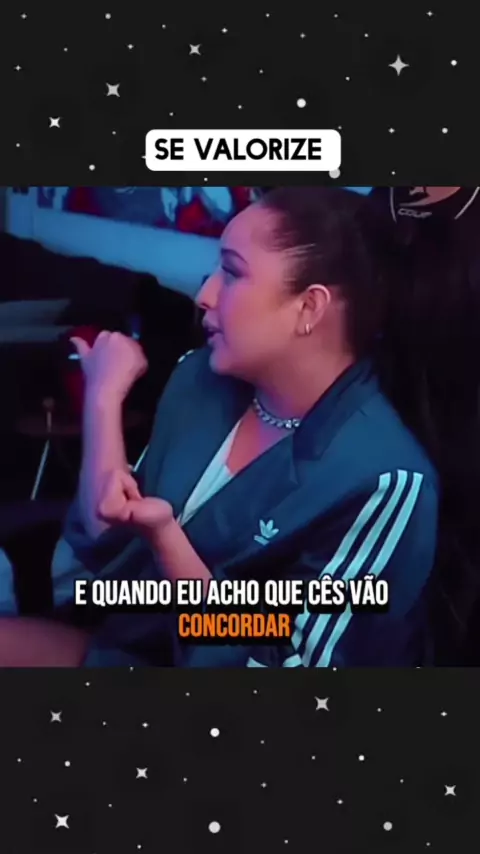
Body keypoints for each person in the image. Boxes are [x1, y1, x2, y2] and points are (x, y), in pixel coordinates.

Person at [0, 185, 478, 667]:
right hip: (123, 642)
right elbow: (106, 542)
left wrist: (169, 541)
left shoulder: (383, 477)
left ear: (308, 308)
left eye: (231, 272)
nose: (204, 295)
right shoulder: (199, 379)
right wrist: (103, 399)